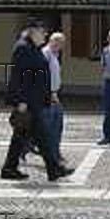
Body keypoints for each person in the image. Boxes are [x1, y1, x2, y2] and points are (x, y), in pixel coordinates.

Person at [1, 17, 74, 182]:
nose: (45, 34)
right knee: (42, 136)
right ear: (33, 31)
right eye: (43, 31)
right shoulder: (23, 48)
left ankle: (10, 168)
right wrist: (21, 101)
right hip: (28, 102)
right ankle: (54, 169)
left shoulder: (32, 47)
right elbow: (19, 77)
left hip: (35, 100)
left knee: (24, 136)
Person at [42, 32, 66, 163]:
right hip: (48, 96)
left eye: (62, 43)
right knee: (52, 128)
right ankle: (53, 156)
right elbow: (42, 76)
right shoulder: (45, 54)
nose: (60, 45)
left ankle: (55, 153)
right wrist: (51, 93)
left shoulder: (54, 55)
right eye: (58, 42)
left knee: (57, 126)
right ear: (51, 41)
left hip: (54, 94)